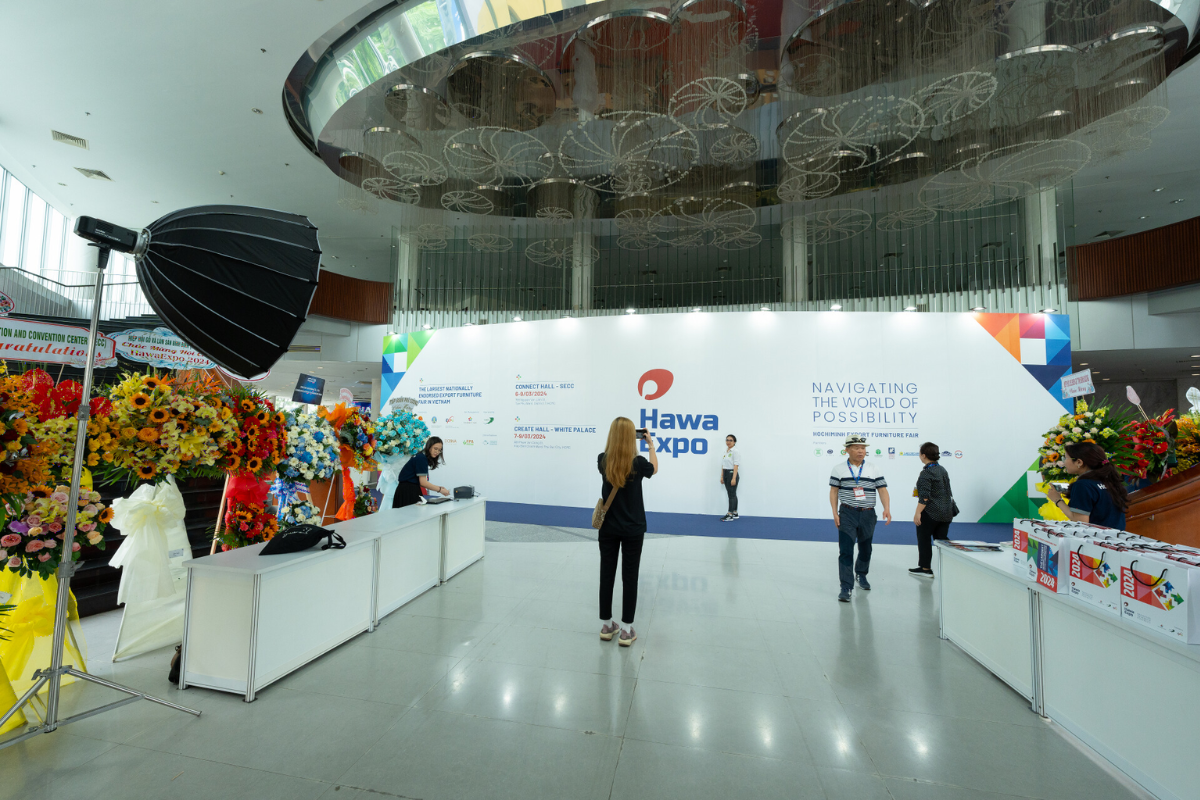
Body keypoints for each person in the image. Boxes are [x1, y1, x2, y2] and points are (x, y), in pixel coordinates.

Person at [597, 417, 658, 646]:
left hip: (608, 528)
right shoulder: (639, 463)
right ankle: (626, 630)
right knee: (629, 578)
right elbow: (655, 469)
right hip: (633, 529)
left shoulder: (602, 460)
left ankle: (606, 625)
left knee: (607, 575)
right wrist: (650, 444)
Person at [829, 435, 891, 602]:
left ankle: (861, 575)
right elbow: (834, 491)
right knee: (846, 550)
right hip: (847, 513)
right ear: (847, 450)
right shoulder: (838, 469)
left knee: (866, 548)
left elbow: (882, 490)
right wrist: (835, 513)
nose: (860, 451)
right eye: (856, 448)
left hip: (868, 514)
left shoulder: (874, 468)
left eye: (863, 448)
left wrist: (887, 508)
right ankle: (846, 587)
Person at [1045, 442, 1128, 529]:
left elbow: (1080, 522)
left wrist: (1057, 499)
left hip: (1096, 539)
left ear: (1079, 462)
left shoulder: (1082, 485)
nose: (1063, 462)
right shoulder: (1110, 480)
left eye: (1065, 458)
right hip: (1117, 538)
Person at [909, 442, 955, 577]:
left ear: (923, 455)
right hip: (946, 512)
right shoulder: (942, 470)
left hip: (930, 513)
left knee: (924, 539)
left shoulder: (926, 473)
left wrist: (917, 513)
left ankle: (925, 568)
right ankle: (947, 568)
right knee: (942, 541)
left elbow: (924, 497)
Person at [391, 436, 450, 508]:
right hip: (408, 491)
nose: (437, 452)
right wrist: (440, 490)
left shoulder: (421, 456)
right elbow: (423, 483)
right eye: (435, 448)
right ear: (429, 446)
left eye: (439, 450)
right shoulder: (421, 458)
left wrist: (439, 488)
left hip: (408, 489)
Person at [718, 434, 741, 521]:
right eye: (727, 440)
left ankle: (730, 514)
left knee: (731, 495)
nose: (728, 442)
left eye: (730, 440)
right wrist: (722, 476)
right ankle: (735, 512)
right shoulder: (726, 451)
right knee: (732, 494)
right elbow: (723, 465)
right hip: (726, 473)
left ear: (734, 442)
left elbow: (736, 465)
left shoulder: (735, 451)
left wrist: (734, 478)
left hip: (732, 473)